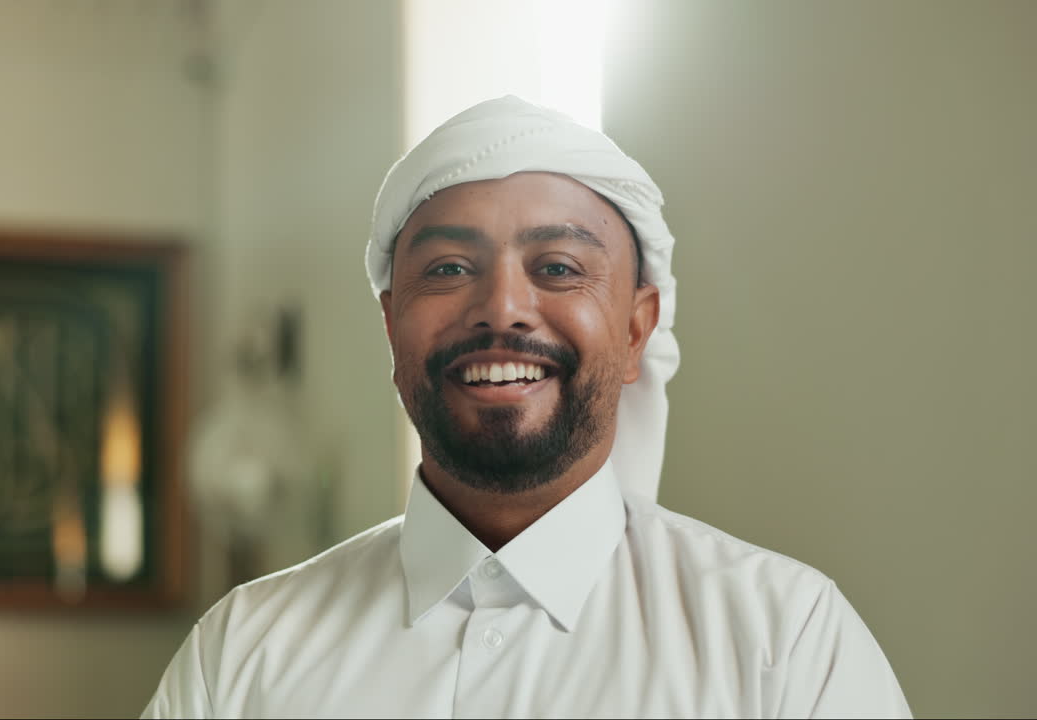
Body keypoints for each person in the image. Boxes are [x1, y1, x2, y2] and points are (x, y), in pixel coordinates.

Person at [142, 96, 911, 718]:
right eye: (448, 267)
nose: (503, 308)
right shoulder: (243, 658)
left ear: (638, 326)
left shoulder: (785, 643)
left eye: (557, 267)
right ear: (389, 324)